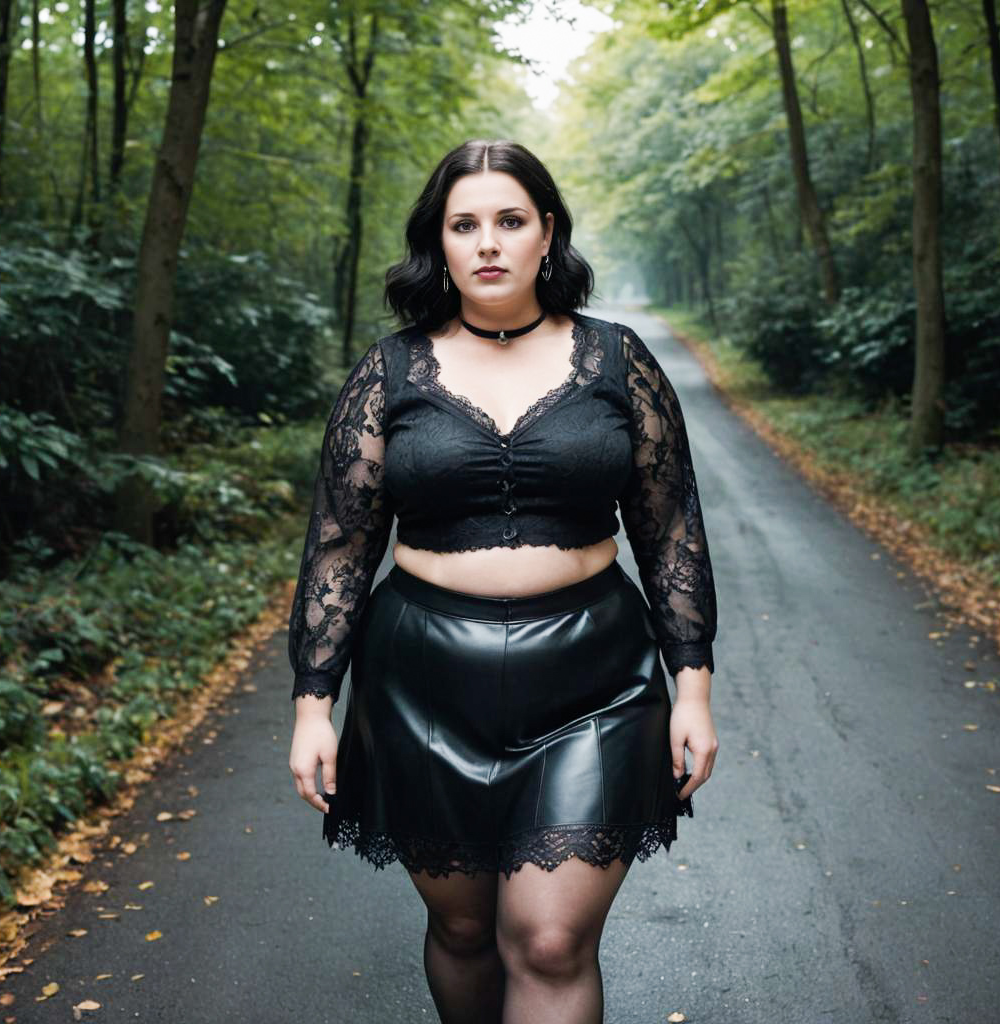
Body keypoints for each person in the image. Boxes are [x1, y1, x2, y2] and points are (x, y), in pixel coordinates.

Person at [287, 138, 719, 1024]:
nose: (488, 242)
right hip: (421, 682)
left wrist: (693, 689)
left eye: (510, 221)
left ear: (547, 233)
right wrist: (311, 708)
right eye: (465, 224)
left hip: (594, 678)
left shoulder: (617, 360)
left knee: (550, 941)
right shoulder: (390, 371)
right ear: (438, 244)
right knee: (464, 934)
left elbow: (670, 527)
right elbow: (339, 543)